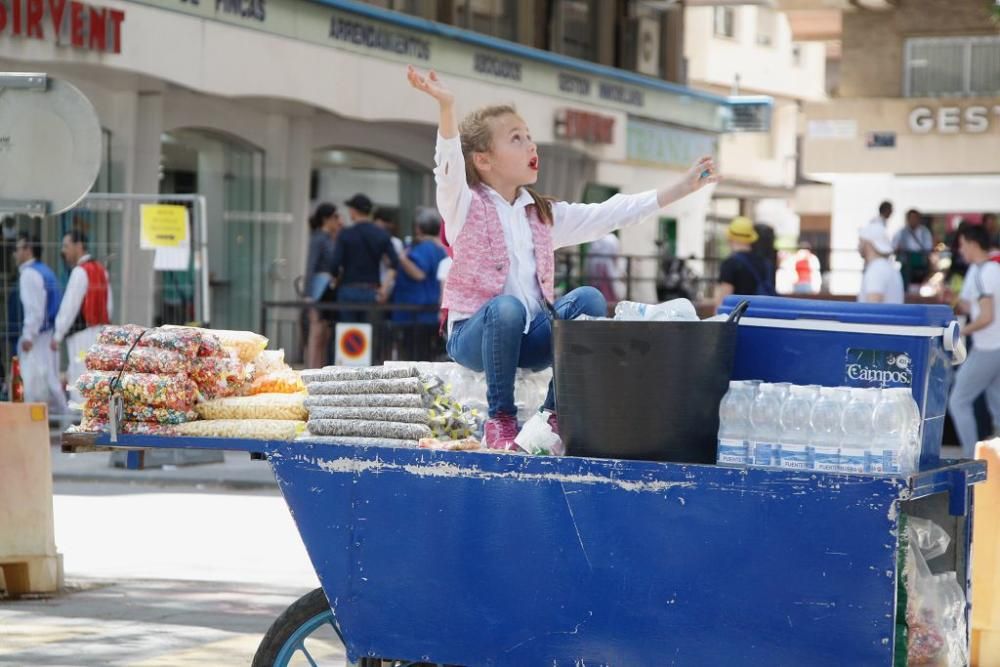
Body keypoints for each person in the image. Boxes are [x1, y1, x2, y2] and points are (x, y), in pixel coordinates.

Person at [407, 65, 719, 450]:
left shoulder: (542, 215)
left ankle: (553, 413)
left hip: (528, 341)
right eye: (516, 139)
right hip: (473, 336)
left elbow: (610, 212)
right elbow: (449, 165)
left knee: (587, 298)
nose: (531, 146)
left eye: (530, 137)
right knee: (506, 308)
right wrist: (447, 107)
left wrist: (682, 188)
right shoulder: (464, 205)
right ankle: (500, 420)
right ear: (484, 160)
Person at [948, 224, 1000, 457]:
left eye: (961, 245)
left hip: (989, 347)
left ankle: (972, 461)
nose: (960, 250)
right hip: (994, 347)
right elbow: (978, 307)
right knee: (997, 407)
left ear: (971, 243)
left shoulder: (982, 273)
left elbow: (986, 316)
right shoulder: (993, 270)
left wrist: (962, 332)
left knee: (958, 400)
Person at [51, 230, 113, 405]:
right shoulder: (101, 269)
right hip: (100, 333)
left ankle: (82, 422)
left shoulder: (80, 272)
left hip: (81, 335)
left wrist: (58, 334)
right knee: (97, 376)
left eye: (66, 246)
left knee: (80, 375)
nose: (64, 251)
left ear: (79, 246)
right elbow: (109, 306)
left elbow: (69, 307)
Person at [14, 234, 68, 414]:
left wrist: (28, 335)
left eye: (18, 249)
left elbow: (34, 309)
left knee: (31, 380)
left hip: (38, 335)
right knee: (50, 377)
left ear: (28, 249)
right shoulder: (45, 270)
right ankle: (64, 416)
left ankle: (33, 418)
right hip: (48, 331)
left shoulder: (29, 274)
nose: (15, 253)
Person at [329, 193, 400, 322]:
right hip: (371, 291)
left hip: (348, 289)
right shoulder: (381, 234)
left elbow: (334, 264)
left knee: (347, 334)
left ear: (353, 211)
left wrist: (335, 279)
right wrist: (384, 289)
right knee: (367, 335)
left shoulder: (345, 234)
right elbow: (395, 263)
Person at [391, 208, 449, 325]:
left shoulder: (424, 248)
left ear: (418, 228)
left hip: (415, 311)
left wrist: (402, 258)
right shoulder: (440, 249)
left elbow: (419, 274)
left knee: (412, 342)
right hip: (431, 308)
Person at [304, 203, 341, 368]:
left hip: (327, 289)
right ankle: (312, 367)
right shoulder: (319, 238)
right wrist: (308, 294)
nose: (338, 221)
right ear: (326, 219)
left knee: (324, 333)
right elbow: (311, 265)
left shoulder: (329, 238)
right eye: (335, 217)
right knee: (316, 332)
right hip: (319, 289)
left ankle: (319, 366)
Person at [715, 217, 775, 305]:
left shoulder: (730, 263)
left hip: (738, 316)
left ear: (730, 237)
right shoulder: (765, 263)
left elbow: (724, 300)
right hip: (761, 316)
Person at [857, 222, 904, 304]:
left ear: (868, 243)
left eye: (861, 241)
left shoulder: (876, 270)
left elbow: (873, 307)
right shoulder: (889, 267)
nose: (858, 245)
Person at [893, 209, 934, 290]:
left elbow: (928, 247)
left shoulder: (925, 232)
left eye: (915, 217)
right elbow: (894, 246)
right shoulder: (901, 232)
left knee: (918, 286)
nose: (913, 220)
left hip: (920, 263)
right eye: (911, 218)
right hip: (906, 262)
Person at [583, 232, 624, 305]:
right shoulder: (611, 238)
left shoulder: (595, 238)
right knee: (608, 289)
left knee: (599, 287)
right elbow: (616, 255)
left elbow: (590, 254)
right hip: (606, 267)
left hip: (597, 267)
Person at [373, 207, 406, 290]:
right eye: (382, 221)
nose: (385, 225)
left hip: (389, 284)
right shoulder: (370, 238)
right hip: (371, 284)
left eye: (387, 222)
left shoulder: (396, 242)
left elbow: (394, 264)